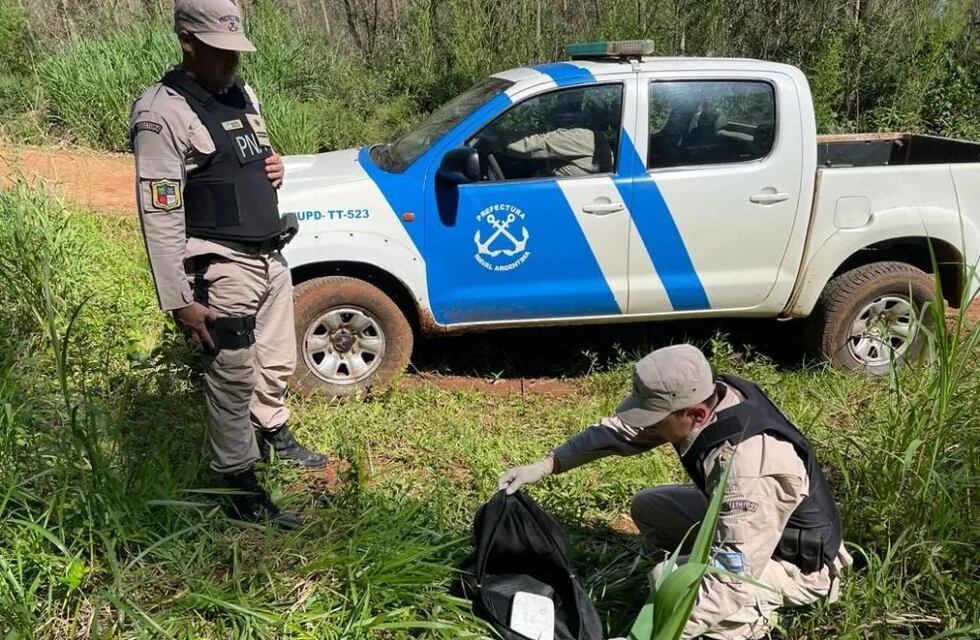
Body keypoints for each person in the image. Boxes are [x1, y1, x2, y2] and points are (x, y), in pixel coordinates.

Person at [498, 344, 851, 640]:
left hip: (798, 564)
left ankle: (750, 625)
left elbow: (731, 579)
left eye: (654, 418)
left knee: (668, 581)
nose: (646, 426)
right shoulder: (713, 396)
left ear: (695, 414)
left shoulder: (747, 472)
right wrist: (549, 464)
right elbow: (621, 432)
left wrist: (648, 636)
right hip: (757, 524)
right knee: (649, 507)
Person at [129, 0, 326, 529]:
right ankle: (235, 476)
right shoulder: (162, 113)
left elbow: (249, 156)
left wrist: (277, 166)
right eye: (221, 52)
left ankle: (272, 431)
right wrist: (179, 301)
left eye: (237, 51)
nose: (232, 62)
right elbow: (160, 213)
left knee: (278, 360)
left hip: (270, 255)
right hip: (222, 263)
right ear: (188, 41)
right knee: (233, 371)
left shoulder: (241, 93)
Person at [488, 91, 614, 178]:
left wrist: (495, 139)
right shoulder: (596, 138)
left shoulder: (580, 137)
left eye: (564, 101)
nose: (558, 106)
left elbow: (533, 145)